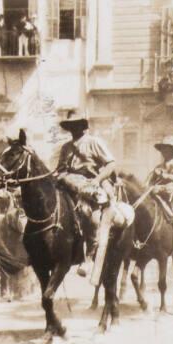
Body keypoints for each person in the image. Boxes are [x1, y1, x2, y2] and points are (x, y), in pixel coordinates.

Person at [54, 111, 116, 275]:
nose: (74, 128)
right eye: (71, 125)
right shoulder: (66, 147)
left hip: (88, 183)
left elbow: (110, 164)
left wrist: (97, 180)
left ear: (83, 126)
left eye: (77, 124)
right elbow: (60, 168)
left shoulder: (94, 142)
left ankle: (89, 257)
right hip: (67, 182)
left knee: (92, 218)